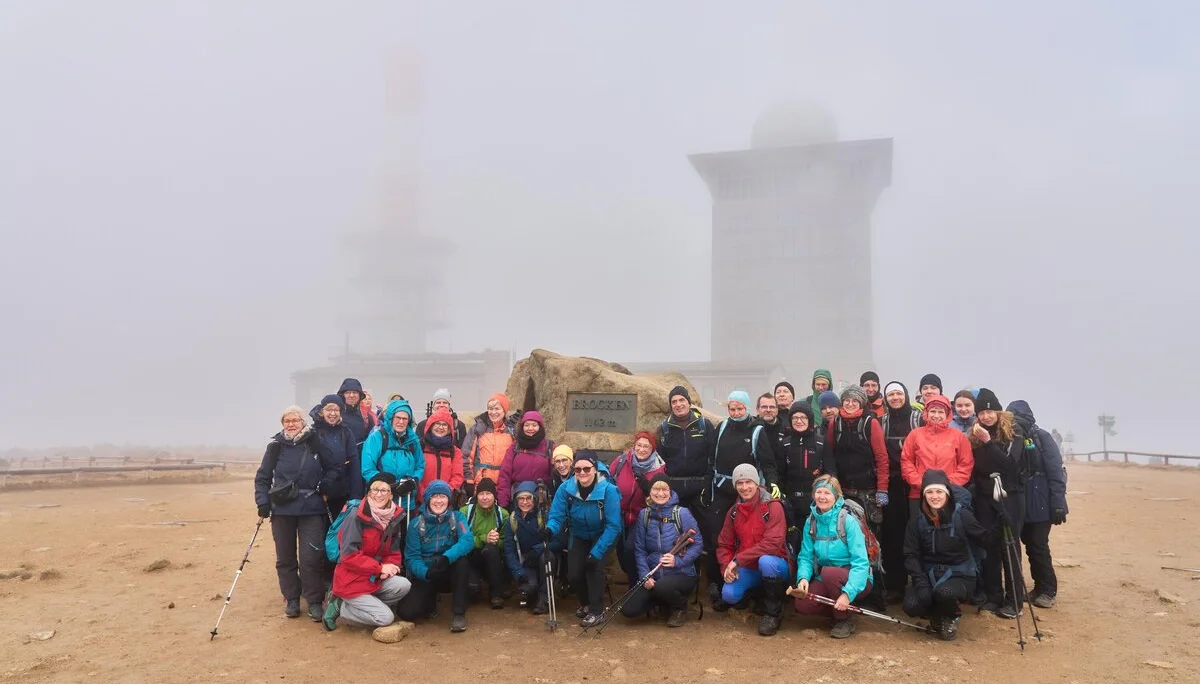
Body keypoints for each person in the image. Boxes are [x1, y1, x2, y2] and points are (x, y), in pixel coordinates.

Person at [254, 406, 341, 621]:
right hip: (282, 509)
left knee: (311, 556)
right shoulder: (275, 446)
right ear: (282, 423)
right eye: (287, 421)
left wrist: (325, 485)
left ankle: (313, 601)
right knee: (285, 557)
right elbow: (263, 477)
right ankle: (292, 599)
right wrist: (263, 502)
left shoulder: (315, 442)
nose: (291, 424)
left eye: (295, 420)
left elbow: (334, 467)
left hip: (311, 507)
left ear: (303, 422)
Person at [706, 390, 779, 606]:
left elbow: (767, 462)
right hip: (721, 489)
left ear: (747, 408)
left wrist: (773, 483)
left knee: (750, 535)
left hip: (747, 491)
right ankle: (718, 582)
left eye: (740, 408)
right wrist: (706, 486)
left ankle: (752, 586)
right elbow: (712, 459)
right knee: (718, 537)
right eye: (732, 408)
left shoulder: (756, 430)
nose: (736, 412)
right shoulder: (721, 428)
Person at [902, 469, 988, 641]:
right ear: (924, 495)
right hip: (930, 573)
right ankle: (937, 614)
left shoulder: (962, 514)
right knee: (912, 605)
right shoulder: (918, 520)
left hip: (960, 575)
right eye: (930, 492)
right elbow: (910, 554)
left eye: (939, 491)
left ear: (947, 493)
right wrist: (920, 583)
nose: (935, 496)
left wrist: (1001, 524)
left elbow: (985, 539)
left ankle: (951, 616)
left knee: (945, 592)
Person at [325, 473, 412, 631]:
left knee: (403, 585)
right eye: (375, 490)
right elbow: (349, 557)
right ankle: (341, 606)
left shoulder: (393, 517)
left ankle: (367, 604)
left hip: (373, 578)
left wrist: (390, 567)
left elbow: (392, 551)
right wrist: (379, 568)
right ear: (369, 492)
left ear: (391, 494)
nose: (379, 494)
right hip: (351, 580)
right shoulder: (355, 517)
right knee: (385, 618)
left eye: (384, 490)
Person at [546, 450, 622, 628]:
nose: (582, 473)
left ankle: (597, 611)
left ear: (595, 469)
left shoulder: (609, 490)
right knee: (574, 574)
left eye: (587, 469)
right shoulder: (566, 489)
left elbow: (614, 526)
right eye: (578, 469)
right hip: (578, 533)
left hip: (603, 534)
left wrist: (596, 553)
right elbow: (557, 515)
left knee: (593, 568)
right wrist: (550, 529)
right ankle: (586, 604)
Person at [715, 464, 792, 636]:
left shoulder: (772, 506)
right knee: (729, 595)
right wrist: (726, 566)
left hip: (776, 564)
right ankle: (757, 595)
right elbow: (724, 544)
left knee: (766, 561)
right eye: (740, 483)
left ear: (757, 483)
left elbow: (773, 544)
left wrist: (737, 560)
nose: (744, 487)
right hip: (749, 566)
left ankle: (773, 612)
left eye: (748, 482)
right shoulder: (733, 512)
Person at [968, 388, 1025, 618]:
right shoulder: (974, 435)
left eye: (990, 411)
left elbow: (1010, 465)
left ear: (998, 411)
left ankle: (1015, 600)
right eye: (982, 412)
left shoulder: (1014, 432)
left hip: (1010, 496)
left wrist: (989, 442)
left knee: (1009, 546)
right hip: (985, 497)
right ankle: (994, 597)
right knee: (990, 546)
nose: (986, 416)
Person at [793, 475, 871, 639]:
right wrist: (803, 578)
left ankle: (844, 619)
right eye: (818, 492)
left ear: (836, 497)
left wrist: (848, 593)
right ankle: (839, 611)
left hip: (857, 578)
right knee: (803, 604)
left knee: (830, 573)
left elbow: (861, 562)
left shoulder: (847, 521)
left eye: (827, 493)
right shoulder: (811, 521)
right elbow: (806, 556)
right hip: (827, 578)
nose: (822, 497)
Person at [1008, 400, 1067, 609]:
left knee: (1038, 545)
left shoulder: (1041, 437)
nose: (1016, 422)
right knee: (1028, 545)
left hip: (1041, 499)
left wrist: (1058, 503)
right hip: (1021, 499)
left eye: (1018, 417)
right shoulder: (1011, 437)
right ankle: (1038, 588)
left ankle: (1048, 590)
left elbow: (1056, 471)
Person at [623, 475, 704, 627]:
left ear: (670, 491)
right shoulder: (644, 515)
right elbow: (639, 549)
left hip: (682, 574)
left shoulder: (682, 513)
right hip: (654, 574)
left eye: (664, 489)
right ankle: (662, 602)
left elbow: (698, 544)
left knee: (663, 587)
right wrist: (644, 576)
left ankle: (680, 607)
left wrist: (677, 561)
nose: (660, 494)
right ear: (650, 492)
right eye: (656, 489)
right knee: (629, 610)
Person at [396, 480, 475, 632]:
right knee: (406, 612)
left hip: (448, 568)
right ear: (427, 500)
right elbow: (411, 558)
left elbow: (467, 540)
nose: (439, 501)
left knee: (463, 562)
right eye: (435, 496)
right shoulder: (415, 524)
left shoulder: (457, 517)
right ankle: (430, 601)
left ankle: (459, 614)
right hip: (428, 571)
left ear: (448, 500)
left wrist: (447, 558)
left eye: (443, 496)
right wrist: (426, 572)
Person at [823, 385, 889, 532]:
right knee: (842, 530)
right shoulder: (835, 423)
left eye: (855, 400)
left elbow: (882, 458)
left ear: (861, 403)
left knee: (870, 531)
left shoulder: (870, 423)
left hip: (868, 489)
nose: (850, 404)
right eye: (847, 400)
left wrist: (882, 489)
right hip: (842, 489)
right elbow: (829, 456)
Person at [879, 381, 923, 603]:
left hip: (916, 483)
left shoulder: (918, 418)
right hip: (892, 484)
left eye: (898, 393)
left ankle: (919, 584)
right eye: (891, 394)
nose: (895, 397)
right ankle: (896, 586)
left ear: (905, 395)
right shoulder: (883, 421)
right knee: (893, 535)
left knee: (917, 532)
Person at [610, 432, 668, 585]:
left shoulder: (659, 469)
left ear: (652, 449)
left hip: (642, 518)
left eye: (646, 447)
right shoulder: (622, 461)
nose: (642, 449)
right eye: (639, 446)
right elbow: (609, 480)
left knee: (631, 551)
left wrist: (648, 489)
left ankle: (634, 584)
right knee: (622, 553)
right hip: (620, 516)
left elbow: (661, 499)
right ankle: (633, 576)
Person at [900, 395, 974, 512]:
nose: (936, 415)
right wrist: (921, 483)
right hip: (919, 494)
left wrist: (946, 484)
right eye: (933, 411)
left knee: (949, 528)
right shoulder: (915, 434)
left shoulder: (958, 436)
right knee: (919, 528)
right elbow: (906, 461)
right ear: (926, 412)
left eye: (941, 412)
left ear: (947, 414)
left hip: (949, 493)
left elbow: (966, 464)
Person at [777, 401, 834, 543]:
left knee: (815, 541)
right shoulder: (785, 443)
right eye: (795, 418)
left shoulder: (821, 442)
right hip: (791, 503)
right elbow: (780, 474)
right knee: (794, 541)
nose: (799, 421)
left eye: (803, 417)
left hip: (816, 503)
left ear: (810, 419)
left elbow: (831, 472)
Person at [503, 481, 564, 615]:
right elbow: (509, 550)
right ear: (516, 500)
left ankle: (544, 599)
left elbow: (559, 542)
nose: (525, 502)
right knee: (529, 588)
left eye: (528, 498)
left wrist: (539, 548)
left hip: (544, 559)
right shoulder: (512, 520)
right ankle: (534, 594)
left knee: (547, 557)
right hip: (526, 563)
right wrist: (519, 573)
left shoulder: (544, 516)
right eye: (521, 498)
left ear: (535, 499)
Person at [459, 479, 509, 609]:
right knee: (472, 591)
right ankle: (475, 586)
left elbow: (507, 543)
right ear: (477, 495)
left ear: (494, 495)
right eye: (481, 494)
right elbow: (461, 540)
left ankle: (496, 594)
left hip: (492, 559)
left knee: (491, 550)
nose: (485, 498)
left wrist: (497, 540)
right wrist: (484, 538)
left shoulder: (502, 514)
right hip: (471, 557)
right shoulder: (465, 512)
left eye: (488, 494)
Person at [361, 399, 424, 499]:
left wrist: (414, 480)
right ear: (390, 418)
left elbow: (420, 465)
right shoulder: (376, 438)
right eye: (397, 418)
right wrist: (387, 484)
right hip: (381, 499)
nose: (401, 422)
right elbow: (368, 469)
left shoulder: (413, 440)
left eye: (405, 419)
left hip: (407, 499)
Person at [461, 393, 516, 499]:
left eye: (497, 409)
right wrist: (469, 480)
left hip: (504, 484)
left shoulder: (512, 432)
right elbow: (466, 456)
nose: (493, 412)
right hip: (480, 484)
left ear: (504, 410)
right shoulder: (477, 429)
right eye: (490, 409)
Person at [309, 394, 355, 519]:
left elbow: (353, 460)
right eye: (329, 409)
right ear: (321, 411)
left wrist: (355, 494)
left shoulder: (346, 432)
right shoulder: (313, 433)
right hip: (320, 493)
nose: (332, 413)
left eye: (336, 410)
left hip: (342, 492)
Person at [498, 411, 555, 508]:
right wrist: (503, 502)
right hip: (518, 499)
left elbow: (554, 476)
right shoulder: (515, 446)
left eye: (534, 425)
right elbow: (505, 475)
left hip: (541, 499)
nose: (530, 428)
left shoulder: (549, 447)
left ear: (540, 427)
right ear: (522, 427)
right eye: (527, 425)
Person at [419, 409, 465, 501]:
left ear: (449, 429)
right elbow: (416, 474)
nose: (440, 427)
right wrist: (424, 495)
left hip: (445, 501)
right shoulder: (420, 447)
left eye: (444, 425)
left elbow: (457, 476)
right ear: (430, 426)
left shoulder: (455, 452)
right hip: (422, 501)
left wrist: (444, 495)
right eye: (437, 424)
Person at [337, 378, 371, 501]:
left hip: (360, 466)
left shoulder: (366, 417)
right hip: (339, 467)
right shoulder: (335, 415)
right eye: (347, 392)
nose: (351, 395)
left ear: (360, 395)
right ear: (342, 395)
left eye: (355, 392)